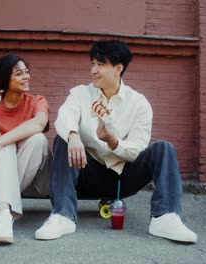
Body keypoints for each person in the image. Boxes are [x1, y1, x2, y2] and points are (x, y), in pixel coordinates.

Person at [34, 40, 197, 243]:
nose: (93, 70)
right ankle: (62, 215)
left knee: (164, 149)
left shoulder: (139, 104)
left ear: (118, 68)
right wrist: (73, 134)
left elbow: (137, 148)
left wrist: (113, 142)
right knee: (63, 138)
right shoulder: (80, 93)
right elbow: (64, 116)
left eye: (100, 65)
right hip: (86, 173)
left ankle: (165, 218)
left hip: (123, 178)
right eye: (92, 63)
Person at [0, 54, 51, 245]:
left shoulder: (38, 101)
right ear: (5, 77)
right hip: (5, 174)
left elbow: (39, 123)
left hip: (37, 180)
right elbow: (0, 151)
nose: (26, 77)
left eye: (27, 72)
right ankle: (4, 214)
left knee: (37, 139)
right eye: (19, 73)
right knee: (6, 147)